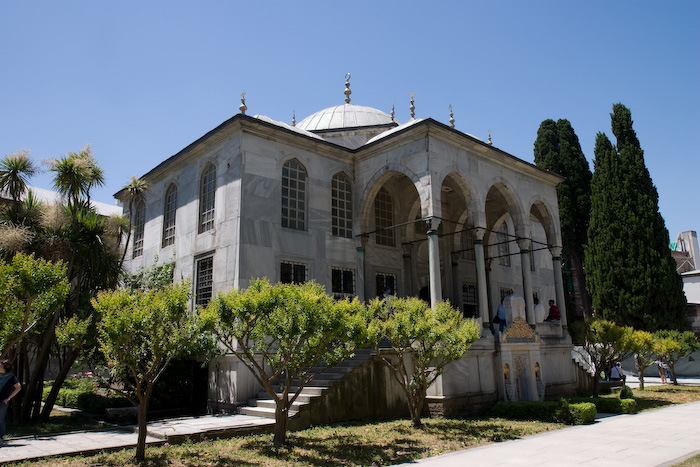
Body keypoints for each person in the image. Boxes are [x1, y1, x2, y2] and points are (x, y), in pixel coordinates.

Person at [0, 359, 21, 445]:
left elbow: (18, 387)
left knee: (0, 419)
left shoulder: (10, 377)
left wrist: (8, 398)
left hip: (2, 401)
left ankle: (0, 437)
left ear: (4, 368)